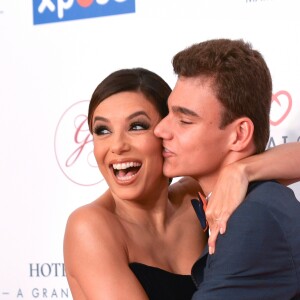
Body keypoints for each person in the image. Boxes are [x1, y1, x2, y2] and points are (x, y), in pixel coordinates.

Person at [64, 67, 300, 300]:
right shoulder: (89, 226)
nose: (117, 146)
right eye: (102, 130)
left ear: (166, 134)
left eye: (137, 126)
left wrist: (242, 170)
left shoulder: (193, 196)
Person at [154, 38, 300, 299]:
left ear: (239, 134)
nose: (161, 129)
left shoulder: (253, 218)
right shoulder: (252, 203)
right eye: (168, 113)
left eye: (185, 120)